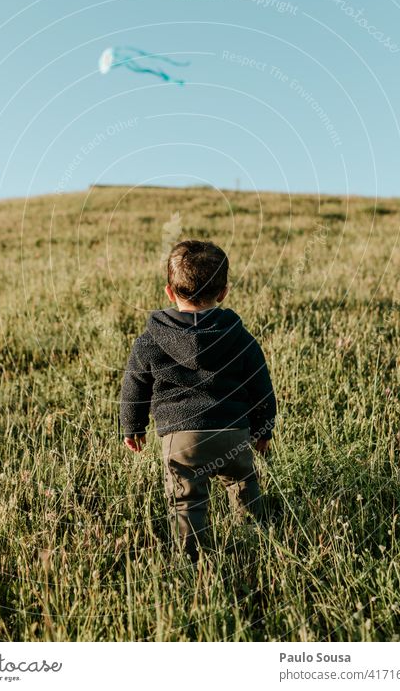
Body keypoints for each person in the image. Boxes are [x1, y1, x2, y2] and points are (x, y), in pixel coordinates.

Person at [120, 239, 277, 561]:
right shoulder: (240, 337)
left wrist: (131, 426)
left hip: (181, 437)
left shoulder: (150, 340)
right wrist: (264, 430)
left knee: (186, 500)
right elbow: (261, 385)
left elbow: (134, 386)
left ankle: (191, 558)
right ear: (223, 292)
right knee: (243, 484)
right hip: (234, 432)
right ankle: (254, 544)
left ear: (169, 291)